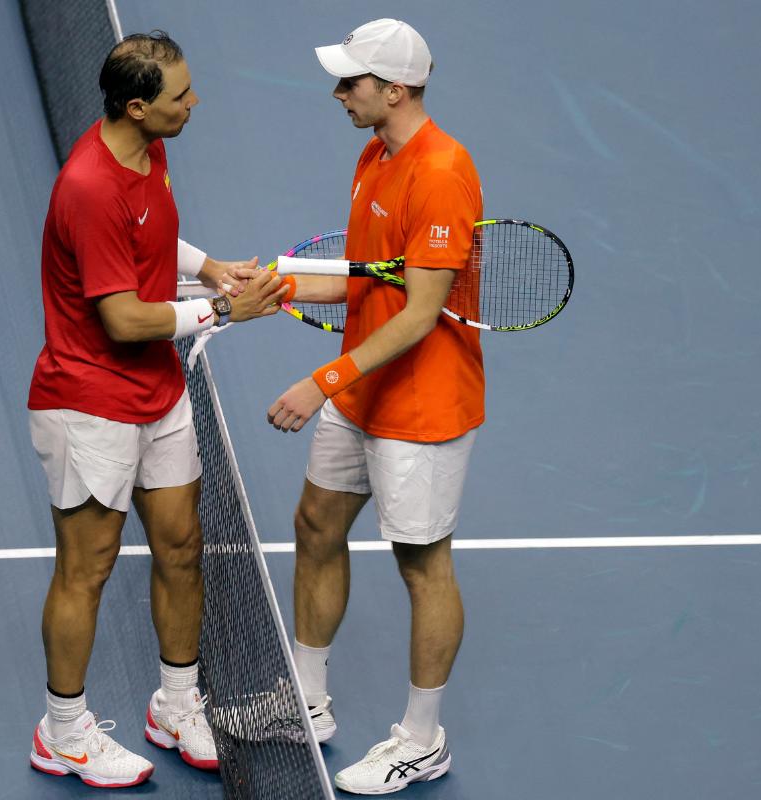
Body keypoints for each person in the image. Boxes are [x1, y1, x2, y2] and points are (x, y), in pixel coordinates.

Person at [27, 31, 285, 789]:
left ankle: (176, 704)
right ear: (138, 107)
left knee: (180, 544)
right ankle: (63, 732)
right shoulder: (88, 186)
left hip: (158, 396)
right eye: (180, 97)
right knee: (88, 568)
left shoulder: (149, 148)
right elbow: (123, 319)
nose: (194, 103)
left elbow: (154, 234)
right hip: (88, 405)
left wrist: (210, 269)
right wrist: (223, 311)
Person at [266, 18, 485, 795]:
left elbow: (420, 313)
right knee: (316, 525)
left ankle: (423, 740)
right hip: (361, 392)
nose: (337, 92)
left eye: (351, 82)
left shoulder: (442, 172)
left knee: (422, 566)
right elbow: (371, 281)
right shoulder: (373, 154)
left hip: (421, 410)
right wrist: (275, 288)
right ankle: (307, 700)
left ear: (395, 90)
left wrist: (319, 381)